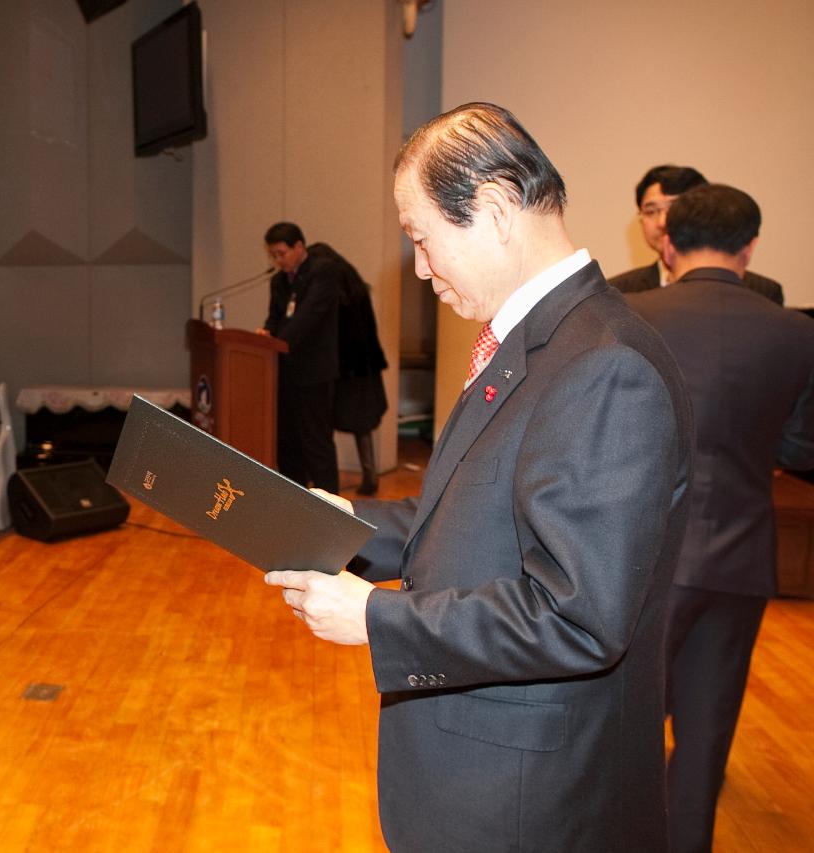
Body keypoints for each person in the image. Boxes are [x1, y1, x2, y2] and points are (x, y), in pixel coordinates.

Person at [264, 103, 693, 852]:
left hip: (529, 802)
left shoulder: (604, 365)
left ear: (495, 208)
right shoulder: (538, 340)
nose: (422, 269)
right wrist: (345, 520)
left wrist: (375, 618)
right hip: (482, 773)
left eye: (424, 240)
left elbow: (576, 616)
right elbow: (472, 511)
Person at [625, 184, 814, 853]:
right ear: (751, 245)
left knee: (624, 728)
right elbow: (801, 448)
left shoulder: (631, 315)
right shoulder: (797, 331)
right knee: (705, 739)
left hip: (644, 557)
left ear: (669, 240)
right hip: (741, 556)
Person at [607, 164, 784, 304]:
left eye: (673, 208)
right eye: (651, 211)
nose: (662, 222)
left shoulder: (762, 291)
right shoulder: (618, 291)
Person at [259, 222, 340, 492]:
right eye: (273, 255)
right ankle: (293, 503)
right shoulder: (278, 281)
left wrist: (277, 339)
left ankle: (332, 509)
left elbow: (308, 318)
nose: (278, 260)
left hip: (315, 373)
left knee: (316, 443)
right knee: (288, 442)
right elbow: (275, 318)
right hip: (284, 372)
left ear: (299, 247)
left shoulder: (323, 272)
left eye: (281, 253)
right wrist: (265, 333)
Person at [307, 242, 389, 495]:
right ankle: (370, 476)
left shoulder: (332, 288)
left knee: (323, 422)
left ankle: (321, 479)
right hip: (365, 366)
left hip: (344, 368)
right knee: (361, 426)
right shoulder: (354, 285)